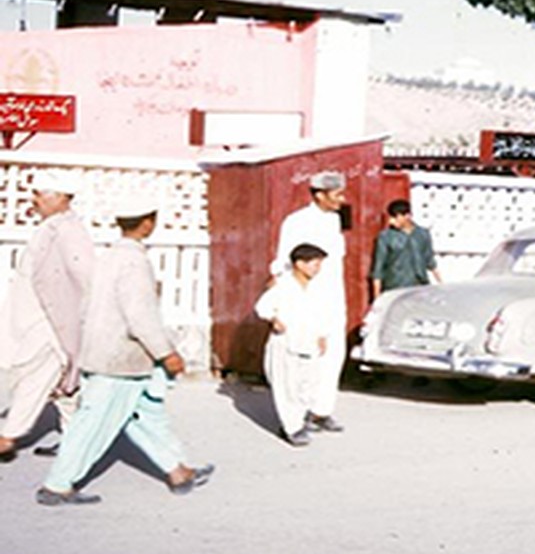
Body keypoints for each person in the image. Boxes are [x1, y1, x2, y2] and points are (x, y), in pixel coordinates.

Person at [36, 198, 213, 505]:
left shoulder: (107, 258)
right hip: (119, 359)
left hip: (107, 354)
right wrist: (165, 353)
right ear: (148, 222)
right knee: (92, 424)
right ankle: (58, 485)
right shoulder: (134, 262)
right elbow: (140, 316)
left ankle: (178, 471)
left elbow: (87, 308)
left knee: (146, 415)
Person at [0, 171, 94, 462]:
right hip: (32, 320)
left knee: (36, 379)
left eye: (41, 194)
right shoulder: (52, 227)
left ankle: (7, 437)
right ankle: (73, 444)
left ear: (62, 197)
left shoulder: (69, 232)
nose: (35, 200)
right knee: (64, 389)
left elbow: (86, 277)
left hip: (50, 324)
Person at [272, 171, 348, 433]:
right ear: (319, 195)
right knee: (305, 358)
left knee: (334, 354)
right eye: (337, 195)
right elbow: (283, 262)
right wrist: (280, 307)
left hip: (334, 297)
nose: (342, 199)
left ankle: (321, 410)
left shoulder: (334, 220)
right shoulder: (297, 222)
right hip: (307, 298)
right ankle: (296, 416)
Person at [257, 243, 331, 447]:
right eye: (314, 264)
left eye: (319, 264)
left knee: (307, 383)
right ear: (299, 264)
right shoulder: (283, 285)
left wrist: (322, 335)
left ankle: (298, 419)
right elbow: (262, 307)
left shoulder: (316, 288)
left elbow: (320, 314)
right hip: (286, 340)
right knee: (287, 385)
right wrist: (273, 319)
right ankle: (291, 428)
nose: (318, 269)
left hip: (309, 340)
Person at [370, 199, 442, 300]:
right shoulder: (386, 237)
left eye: (395, 217)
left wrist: (441, 284)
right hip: (395, 289)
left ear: (407, 216)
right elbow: (378, 270)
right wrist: (377, 298)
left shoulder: (422, 235)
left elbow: (430, 261)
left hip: (419, 289)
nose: (391, 221)